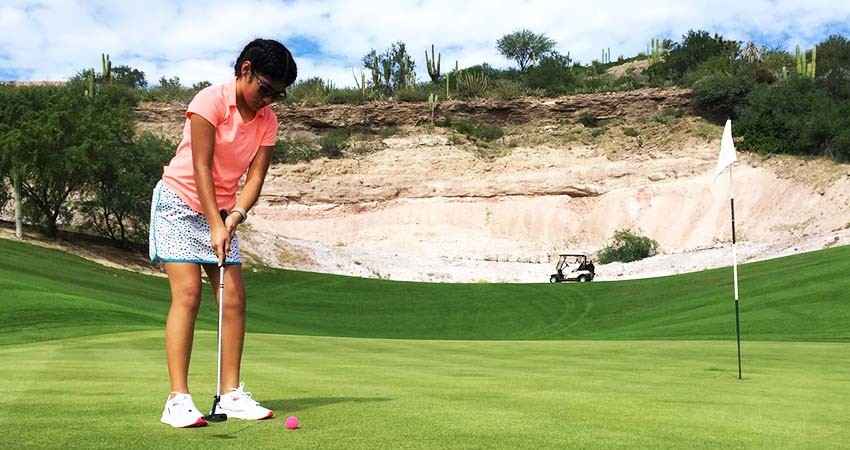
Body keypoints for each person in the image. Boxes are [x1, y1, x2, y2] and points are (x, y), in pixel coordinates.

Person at [149, 38, 297, 428]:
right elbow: (201, 167)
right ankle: (177, 400)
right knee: (190, 293)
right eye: (265, 89)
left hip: (223, 211)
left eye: (277, 96)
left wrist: (236, 216)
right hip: (180, 202)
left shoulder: (267, 121)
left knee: (234, 297)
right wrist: (215, 221)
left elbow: (256, 177)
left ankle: (230, 393)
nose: (268, 100)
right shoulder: (208, 102)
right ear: (245, 70)